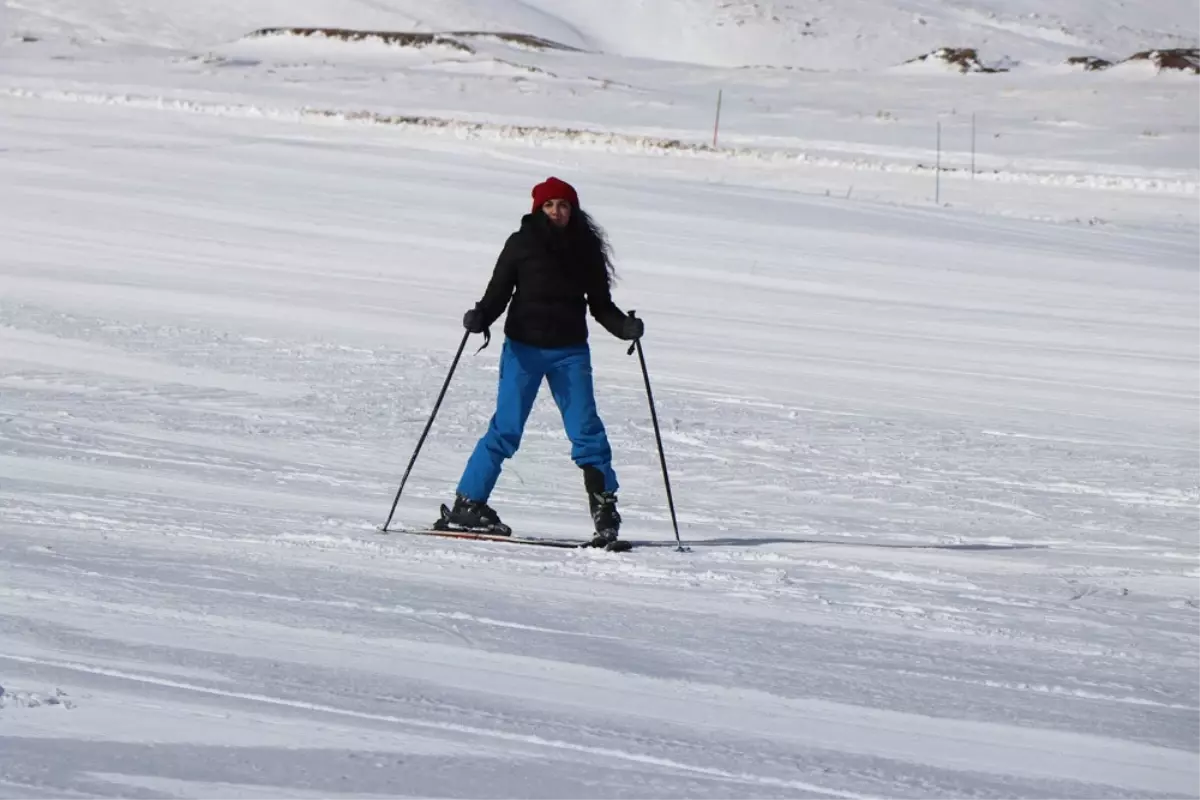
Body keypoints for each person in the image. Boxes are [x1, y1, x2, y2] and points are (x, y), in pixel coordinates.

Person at [444, 177, 644, 546]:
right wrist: (480, 318)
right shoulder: (521, 244)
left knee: (587, 431)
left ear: (573, 210)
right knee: (506, 428)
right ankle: (468, 503)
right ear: (538, 209)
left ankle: (604, 507)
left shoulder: (586, 249)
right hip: (523, 349)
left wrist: (624, 328)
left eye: (564, 205)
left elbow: (600, 306)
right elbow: (498, 293)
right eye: (550, 205)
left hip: (570, 353)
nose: (557, 211)